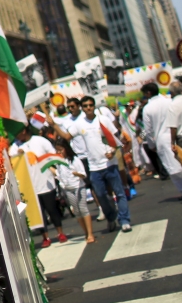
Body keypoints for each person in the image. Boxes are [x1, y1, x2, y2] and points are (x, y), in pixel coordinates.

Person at [56, 96, 131, 232]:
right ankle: (111, 216)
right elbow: (67, 137)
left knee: (119, 193)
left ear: (94, 106)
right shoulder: (79, 124)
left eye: (90, 105)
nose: (88, 107)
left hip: (110, 164)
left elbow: (116, 137)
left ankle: (124, 220)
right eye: (85, 106)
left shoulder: (103, 120)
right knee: (101, 195)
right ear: (82, 108)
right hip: (94, 167)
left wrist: (113, 151)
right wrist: (53, 124)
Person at [14, 128, 67, 246]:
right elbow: (12, 159)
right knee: (39, 213)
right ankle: (45, 237)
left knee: (52, 209)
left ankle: (60, 233)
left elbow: (52, 153)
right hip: (30, 187)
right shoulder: (15, 146)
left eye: (17, 132)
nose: (16, 136)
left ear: (23, 131)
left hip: (46, 182)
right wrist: (18, 154)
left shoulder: (40, 140)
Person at [139, 82, 182, 200]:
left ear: (148, 93)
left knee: (172, 167)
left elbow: (148, 129)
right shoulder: (169, 101)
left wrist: (151, 144)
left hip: (162, 138)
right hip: (177, 134)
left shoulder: (147, 108)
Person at [55, 141, 94, 243]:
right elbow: (59, 175)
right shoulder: (59, 162)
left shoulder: (74, 160)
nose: (59, 152)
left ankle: (90, 233)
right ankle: (85, 232)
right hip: (68, 189)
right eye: (57, 150)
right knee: (76, 211)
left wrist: (77, 174)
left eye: (61, 149)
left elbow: (83, 174)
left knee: (83, 208)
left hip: (78, 187)